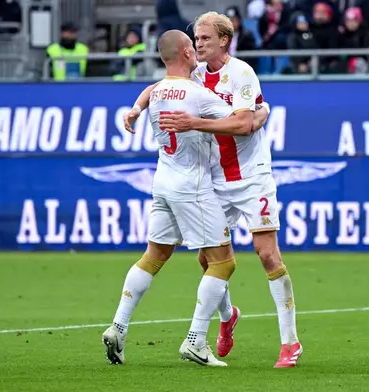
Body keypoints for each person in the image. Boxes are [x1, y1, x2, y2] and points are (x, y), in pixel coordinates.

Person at [124, 11, 303, 368]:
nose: (198, 44)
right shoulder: (195, 74)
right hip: (215, 179)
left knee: (266, 254)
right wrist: (137, 108)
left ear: (224, 40)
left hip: (252, 176)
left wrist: (195, 122)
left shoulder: (241, 73)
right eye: (196, 39)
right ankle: (227, 316)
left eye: (205, 38)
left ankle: (290, 343)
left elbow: (243, 124)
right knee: (209, 259)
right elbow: (154, 87)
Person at [102, 29, 253, 368]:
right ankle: (196, 340)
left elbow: (151, 89)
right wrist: (260, 113)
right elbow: (240, 123)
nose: (198, 48)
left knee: (154, 256)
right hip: (193, 185)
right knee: (223, 262)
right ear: (186, 53)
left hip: (164, 181)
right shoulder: (197, 94)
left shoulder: (158, 92)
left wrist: (136, 109)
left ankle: (118, 326)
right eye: (193, 46)